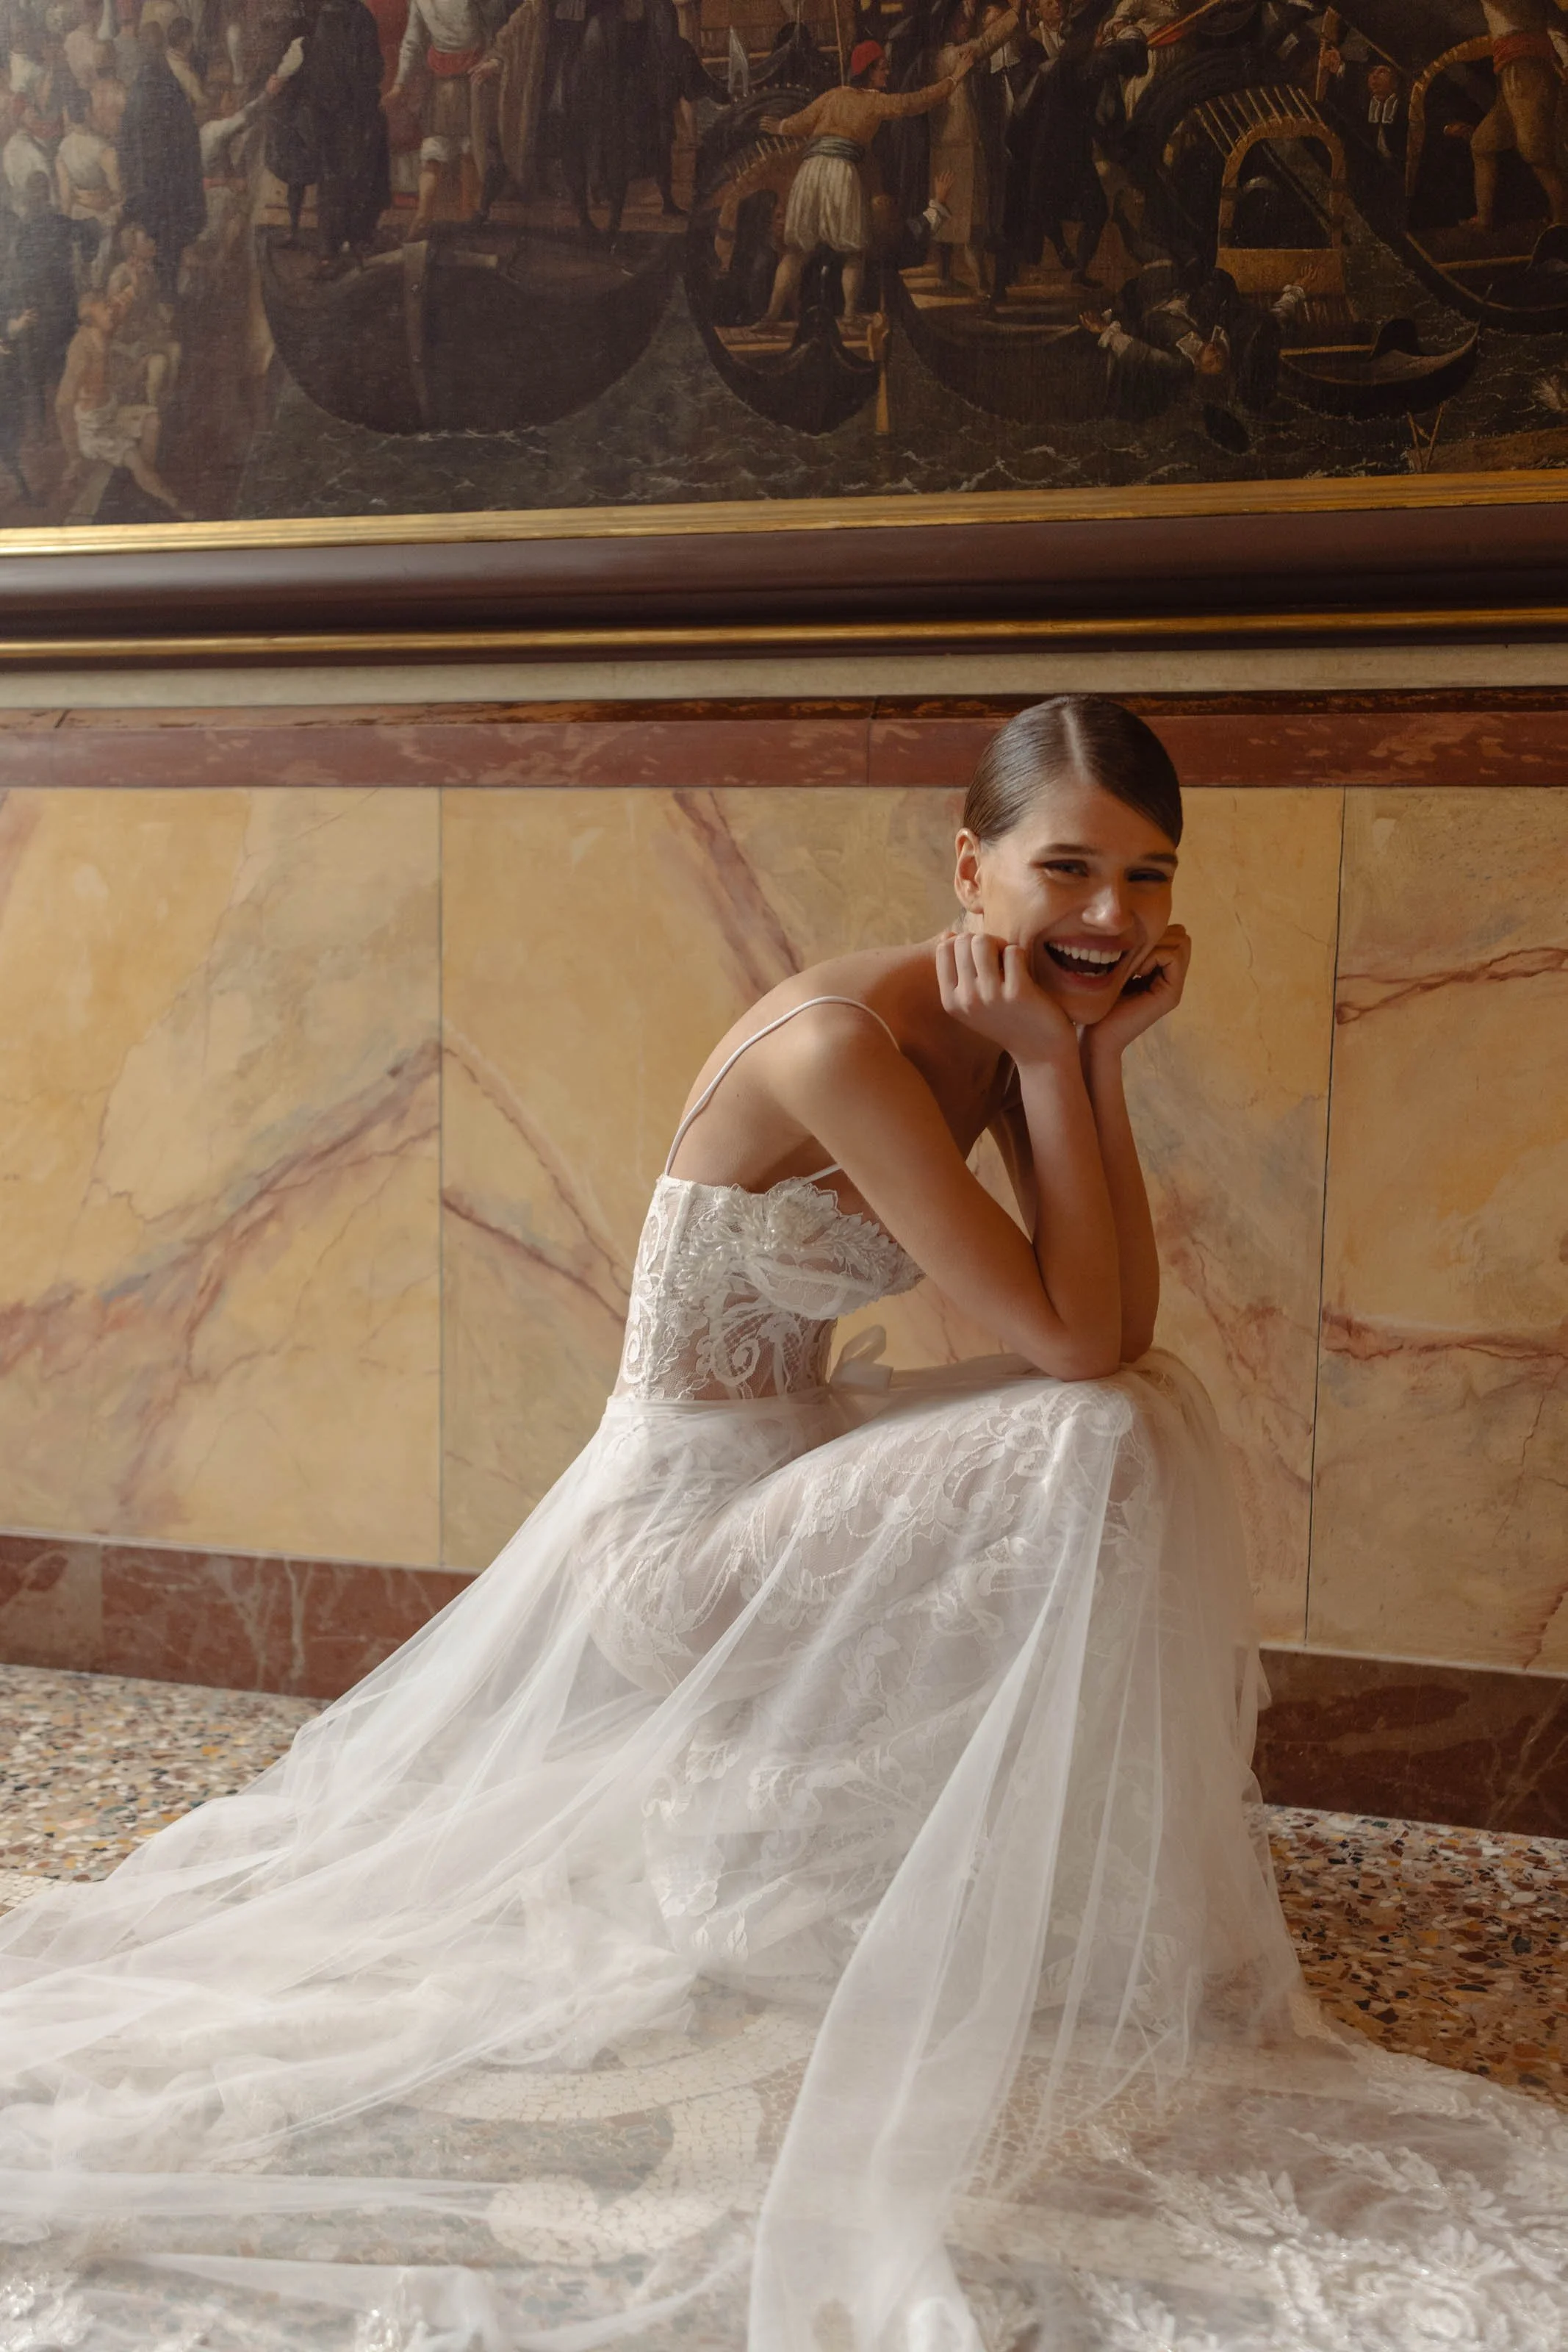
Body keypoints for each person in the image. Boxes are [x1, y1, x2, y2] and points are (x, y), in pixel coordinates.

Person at [1, 693, 1566, 2352]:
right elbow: (1068, 1347)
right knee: (1090, 1431)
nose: (1110, 914)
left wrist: (1087, 1065)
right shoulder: (843, 1050)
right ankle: (959, 1868)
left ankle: (1014, 1876)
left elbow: (1110, 1320)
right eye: (1066, 868)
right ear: (968, 871)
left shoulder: (1010, 1027)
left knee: (1132, 1413)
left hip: (783, 1459)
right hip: (676, 1538)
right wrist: (1056, 1058)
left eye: (1146, 874)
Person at [761, 36, 969, 329]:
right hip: (840, 173)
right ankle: (849, 314)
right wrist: (954, 79)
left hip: (810, 172)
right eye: (882, 68)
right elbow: (917, 101)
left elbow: (800, 123)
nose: (887, 73)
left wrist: (781, 126)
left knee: (796, 251)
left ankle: (770, 316)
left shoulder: (833, 96)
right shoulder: (874, 102)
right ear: (868, 72)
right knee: (854, 251)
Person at [53, 280, 186, 508]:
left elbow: (117, 383)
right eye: (105, 307)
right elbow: (63, 403)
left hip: (111, 413)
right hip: (95, 430)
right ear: (90, 318)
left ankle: (145, 482)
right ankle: (173, 503)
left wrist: (142, 364)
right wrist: (74, 457)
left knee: (153, 420)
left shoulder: (106, 335)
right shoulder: (81, 348)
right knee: (136, 460)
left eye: (109, 305)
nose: (111, 310)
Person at [292, 0, 388, 268]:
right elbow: (372, 69)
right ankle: (357, 242)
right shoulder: (360, 16)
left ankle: (328, 247)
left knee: (330, 177)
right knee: (359, 176)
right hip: (352, 112)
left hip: (323, 111)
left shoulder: (318, 16)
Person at [116, 17, 204, 292]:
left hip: (149, 187)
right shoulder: (168, 87)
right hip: (168, 187)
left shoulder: (138, 93)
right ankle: (166, 296)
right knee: (166, 244)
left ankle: (166, 295)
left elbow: (125, 145)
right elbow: (189, 141)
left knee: (157, 243)